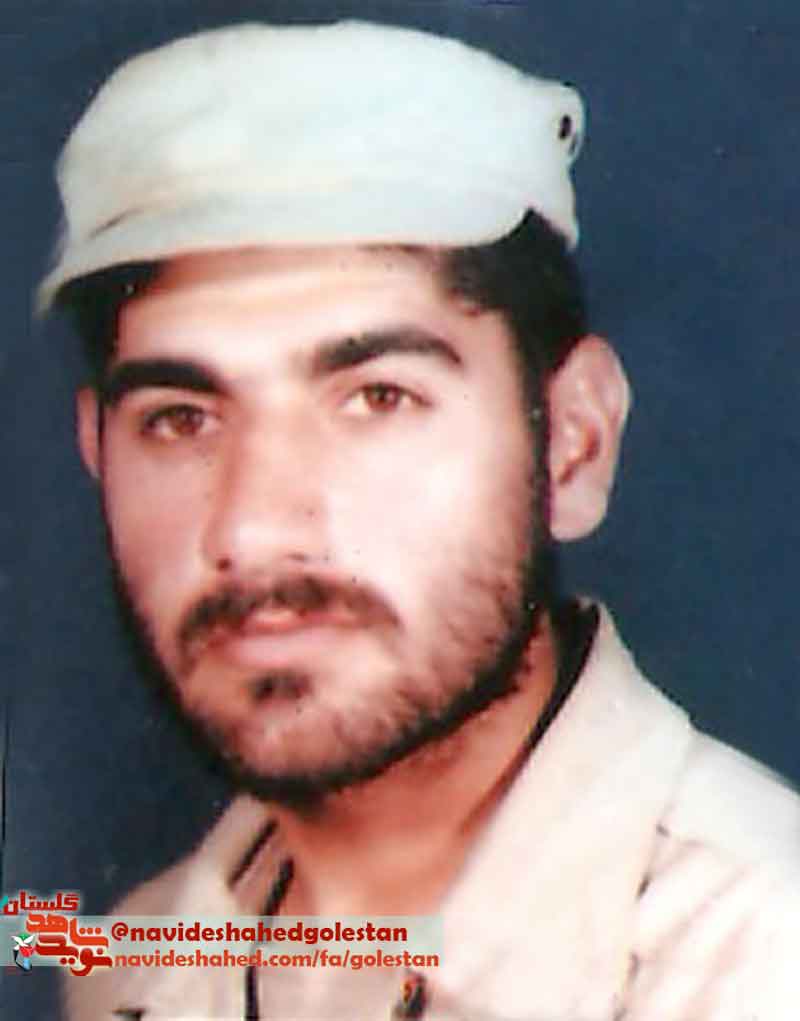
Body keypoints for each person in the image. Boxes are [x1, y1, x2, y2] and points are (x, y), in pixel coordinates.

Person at [38, 19, 800, 1021]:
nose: (255, 529)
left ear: (572, 444)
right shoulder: (132, 961)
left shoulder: (759, 956)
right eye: (181, 419)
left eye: (377, 398)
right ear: (97, 452)